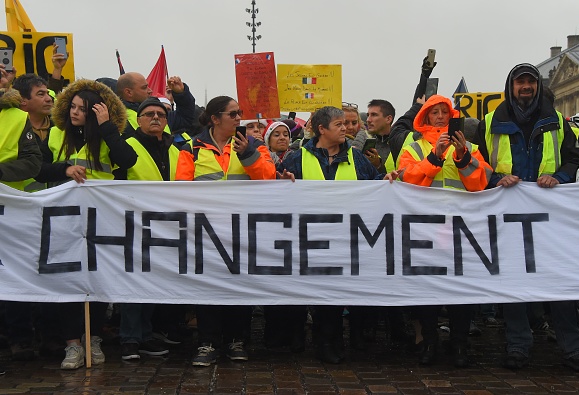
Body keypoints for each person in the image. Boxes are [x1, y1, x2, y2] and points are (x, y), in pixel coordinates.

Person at [475, 63, 579, 373]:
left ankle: (574, 348)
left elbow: (574, 158)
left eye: (530, 81)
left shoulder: (556, 119)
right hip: (508, 214)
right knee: (515, 283)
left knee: (559, 282)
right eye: (520, 82)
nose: (525, 86)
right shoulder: (490, 121)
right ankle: (517, 346)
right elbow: (478, 165)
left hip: (551, 217)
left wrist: (561, 177)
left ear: (537, 85)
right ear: (511, 86)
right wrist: (497, 177)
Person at [279, 106, 400, 364]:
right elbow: (279, 194)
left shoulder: (357, 159)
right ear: (322, 129)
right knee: (322, 294)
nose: (345, 128)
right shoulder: (296, 159)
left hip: (349, 239)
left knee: (344, 291)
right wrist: (285, 183)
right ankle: (325, 341)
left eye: (345, 124)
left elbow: (374, 185)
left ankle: (341, 340)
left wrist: (385, 179)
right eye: (338, 125)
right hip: (312, 240)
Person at [34, 79, 137, 369]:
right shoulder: (55, 134)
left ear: (95, 112)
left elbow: (127, 160)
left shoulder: (107, 136)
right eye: (72, 107)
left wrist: (107, 128)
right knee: (70, 281)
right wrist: (64, 169)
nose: (74, 113)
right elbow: (38, 169)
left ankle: (93, 339)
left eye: (81, 109)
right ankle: (73, 345)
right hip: (64, 219)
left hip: (100, 220)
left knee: (97, 280)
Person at [398, 94, 492, 367]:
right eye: (434, 112)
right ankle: (429, 342)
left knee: (460, 292)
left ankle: (460, 344)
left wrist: (462, 157)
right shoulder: (413, 149)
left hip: (460, 231)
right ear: (425, 117)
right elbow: (406, 180)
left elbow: (480, 182)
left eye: (444, 111)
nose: (440, 116)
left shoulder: (469, 146)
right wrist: (434, 158)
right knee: (427, 291)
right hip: (424, 232)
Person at [191, 96, 276, 367]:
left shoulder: (255, 146)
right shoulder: (191, 149)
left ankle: (237, 340)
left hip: (243, 231)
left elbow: (268, 177)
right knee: (208, 288)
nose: (239, 118)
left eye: (240, 113)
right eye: (233, 114)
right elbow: (179, 189)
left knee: (240, 287)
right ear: (215, 119)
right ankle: (208, 342)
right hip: (206, 232)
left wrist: (247, 154)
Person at [117, 97, 194, 360]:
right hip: (133, 224)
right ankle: (129, 338)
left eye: (161, 114)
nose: (155, 118)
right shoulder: (127, 146)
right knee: (132, 282)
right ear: (137, 120)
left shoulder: (177, 149)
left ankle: (146, 334)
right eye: (149, 114)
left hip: (167, 227)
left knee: (152, 283)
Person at [0, 86, 42, 368]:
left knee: (10, 275)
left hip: (8, 213)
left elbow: (32, 162)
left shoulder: (16, 116)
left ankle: (18, 336)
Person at [116, 72, 195, 136]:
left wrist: (181, 94)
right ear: (129, 92)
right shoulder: (116, 118)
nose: (150, 90)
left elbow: (185, 117)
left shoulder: (160, 113)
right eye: (144, 87)